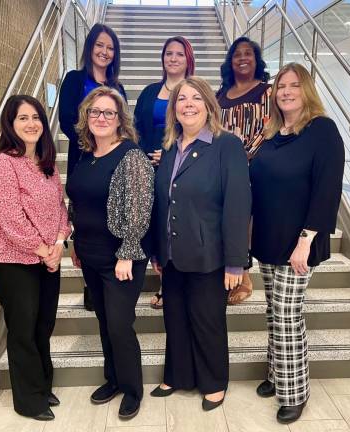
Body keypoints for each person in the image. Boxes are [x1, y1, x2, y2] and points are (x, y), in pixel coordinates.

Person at [250, 63, 344, 424]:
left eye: (293, 85)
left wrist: (306, 240)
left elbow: (327, 191)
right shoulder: (274, 132)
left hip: (299, 242)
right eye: (280, 86)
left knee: (288, 315)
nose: (285, 91)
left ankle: (295, 391)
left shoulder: (322, 131)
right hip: (270, 240)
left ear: (306, 90)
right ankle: (278, 375)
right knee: (275, 312)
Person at [150, 77, 251, 410]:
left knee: (207, 321)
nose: (188, 104)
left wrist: (236, 261)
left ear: (209, 105)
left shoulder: (226, 145)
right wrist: (156, 251)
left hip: (211, 254)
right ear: (174, 109)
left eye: (195, 98)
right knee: (175, 318)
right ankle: (177, 375)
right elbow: (163, 202)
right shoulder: (169, 147)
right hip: (174, 252)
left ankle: (213, 381)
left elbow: (238, 204)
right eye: (181, 99)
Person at [66, 86, 154, 420]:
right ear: (86, 117)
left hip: (120, 257)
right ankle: (113, 379)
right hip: (89, 253)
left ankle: (132, 389)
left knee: (119, 324)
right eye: (95, 112)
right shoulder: (86, 155)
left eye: (109, 113)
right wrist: (75, 242)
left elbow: (139, 209)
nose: (101, 118)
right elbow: (78, 205)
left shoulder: (130, 156)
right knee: (104, 321)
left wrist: (127, 254)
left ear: (120, 120)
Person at [0, 95, 71, 421]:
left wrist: (60, 242)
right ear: (11, 124)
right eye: (23, 118)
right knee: (23, 327)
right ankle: (28, 400)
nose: (31, 123)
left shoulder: (47, 165)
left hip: (48, 257)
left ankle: (43, 386)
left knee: (43, 325)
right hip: (12, 260)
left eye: (36, 117)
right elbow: (10, 217)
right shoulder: (0, 164)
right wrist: (43, 249)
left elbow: (61, 209)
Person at [59, 23, 126, 310]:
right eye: (100, 45)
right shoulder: (74, 79)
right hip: (84, 158)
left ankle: (110, 273)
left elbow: (122, 124)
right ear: (89, 48)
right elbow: (64, 119)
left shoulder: (118, 87)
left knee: (110, 212)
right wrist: (94, 142)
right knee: (85, 214)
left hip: (113, 161)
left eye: (110, 47)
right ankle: (89, 282)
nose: (105, 51)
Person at [134, 35, 195, 309]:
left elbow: (198, 131)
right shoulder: (149, 92)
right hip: (147, 169)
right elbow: (136, 129)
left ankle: (167, 287)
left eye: (179, 54)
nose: (173, 58)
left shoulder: (193, 92)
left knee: (174, 224)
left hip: (180, 169)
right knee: (155, 223)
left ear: (188, 59)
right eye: (169, 53)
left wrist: (169, 155)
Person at [217, 36, 271, 305]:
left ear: (256, 59)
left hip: (253, 164)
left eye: (248, 53)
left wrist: (242, 158)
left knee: (244, 217)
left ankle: (245, 275)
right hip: (221, 167)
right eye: (237, 54)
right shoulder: (220, 94)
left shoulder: (267, 91)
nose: (242, 58)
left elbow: (268, 127)